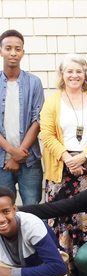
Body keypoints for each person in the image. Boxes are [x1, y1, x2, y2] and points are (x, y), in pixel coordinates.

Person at [40, 53, 87, 276]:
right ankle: (63, 268)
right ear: (62, 74)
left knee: (84, 217)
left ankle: (85, 266)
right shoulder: (52, 101)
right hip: (60, 168)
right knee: (60, 218)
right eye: (69, 71)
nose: (74, 75)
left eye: (79, 71)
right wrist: (68, 158)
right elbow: (46, 134)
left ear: (85, 74)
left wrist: (85, 157)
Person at [0, 186, 74, 276]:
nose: (1, 219)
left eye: (6, 211)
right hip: (12, 263)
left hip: (44, 262)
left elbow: (58, 267)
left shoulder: (31, 224)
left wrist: (11, 274)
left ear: (14, 209)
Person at [0, 29, 44, 205]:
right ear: (1, 50)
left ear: (23, 52)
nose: (13, 53)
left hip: (29, 161)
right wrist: (12, 153)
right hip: (1, 162)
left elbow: (38, 120)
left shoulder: (34, 82)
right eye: (8, 48)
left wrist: (19, 154)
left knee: (33, 210)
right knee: (2, 212)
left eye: (17, 49)